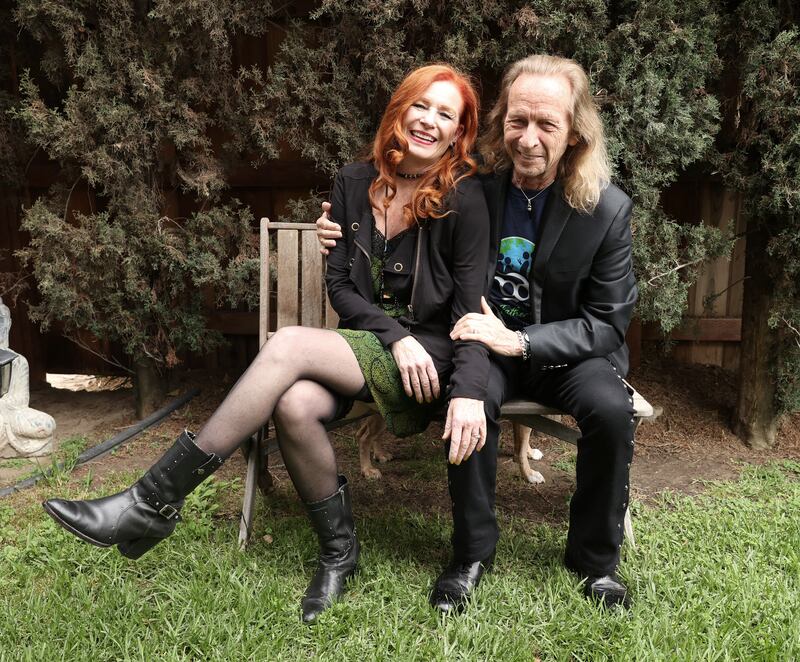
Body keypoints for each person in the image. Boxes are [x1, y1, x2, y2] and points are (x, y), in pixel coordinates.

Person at [42, 64, 490, 623]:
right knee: (294, 404)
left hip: (430, 359)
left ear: (458, 132)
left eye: (445, 114)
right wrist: (393, 337)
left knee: (287, 345)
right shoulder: (355, 182)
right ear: (400, 110)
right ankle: (339, 554)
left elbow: (469, 311)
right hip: (375, 344)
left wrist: (450, 375)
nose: (428, 120)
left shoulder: (466, 200)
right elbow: (341, 288)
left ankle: (150, 502)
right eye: (421, 105)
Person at [316, 54, 638, 611]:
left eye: (547, 124)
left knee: (611, 410)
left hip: (567, 355)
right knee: (468, 403)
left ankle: (594, 561)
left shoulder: (604, 209)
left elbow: (608, 323)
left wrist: (522, 341)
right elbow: (393, 207)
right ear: (501, 122)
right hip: (479, 347)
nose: (528, 139)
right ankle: (470, 555)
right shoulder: (471, 189)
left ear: (575, 133)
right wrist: (337, 230)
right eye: (518, 121)